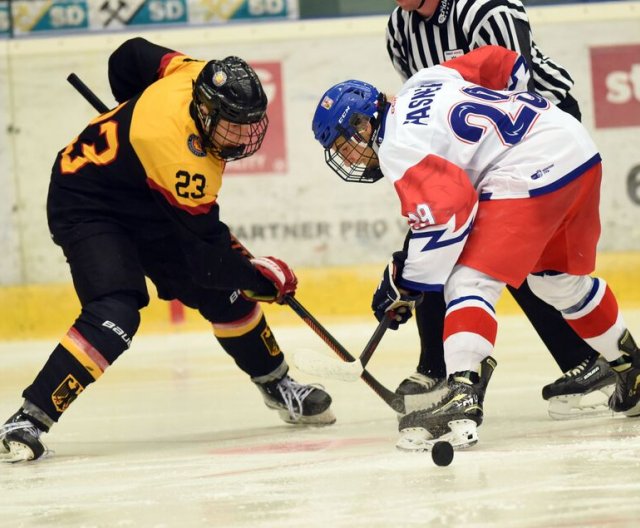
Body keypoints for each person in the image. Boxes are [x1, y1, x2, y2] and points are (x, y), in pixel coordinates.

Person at [0, 37, 334, 463]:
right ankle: (29, 418)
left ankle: (276, 382)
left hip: (143, 192)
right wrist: (259, 281)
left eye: (250, 123)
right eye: (232, 123)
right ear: (205, 110)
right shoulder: (184, 160)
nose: (243, 136)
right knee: (116, 311)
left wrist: (132, 116)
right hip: (87, 201)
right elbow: (209, 262)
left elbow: (130, 54)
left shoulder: (192, 72)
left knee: (225, 297)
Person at [311, 45, 640, 450]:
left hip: (529, 169)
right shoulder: (425, 80)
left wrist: (408, 280)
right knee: (556, 282)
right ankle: (632, 369)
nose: (351, 158)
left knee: (467, 279)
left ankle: (463, 394)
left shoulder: (397, 146)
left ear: (363, 125)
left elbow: (450, 212)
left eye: (346, 146)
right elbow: (501, 61)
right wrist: (518, 109)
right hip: (573, 145)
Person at [385, 0, 614, 420]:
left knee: (496, 255)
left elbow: (514, 82)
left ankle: (580, 359)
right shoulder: (400, 28)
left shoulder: (486, 10)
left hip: (535, 131)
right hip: (478, 143)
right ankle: (437, 366)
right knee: (454, 242)